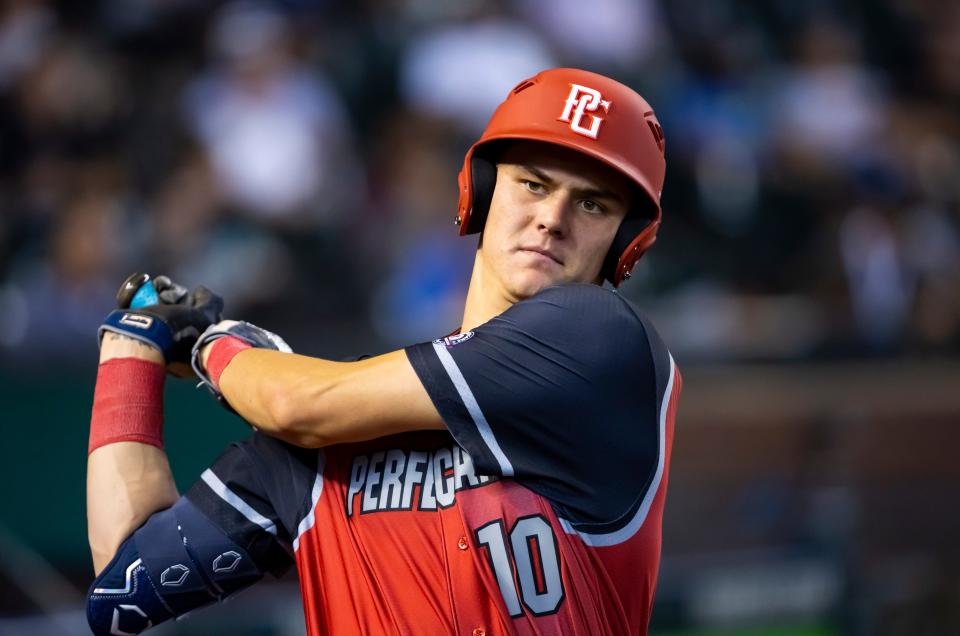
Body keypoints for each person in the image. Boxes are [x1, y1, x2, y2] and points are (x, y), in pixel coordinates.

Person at [86, 68, 681, 636]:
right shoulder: (320, 443)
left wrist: (213, 343)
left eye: (592, 205)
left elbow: (295, 402)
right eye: (533, 183)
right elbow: (123, 587)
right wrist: (128, 353)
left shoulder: (602, 338)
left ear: (625, 246)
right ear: (480, 189)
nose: (552, 219)